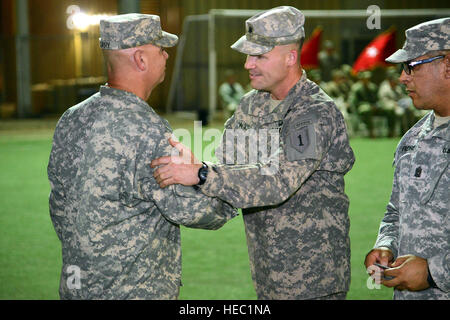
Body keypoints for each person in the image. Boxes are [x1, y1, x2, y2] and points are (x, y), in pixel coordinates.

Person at [151, 6, 355, 300]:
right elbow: (226, 176)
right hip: (266, 273)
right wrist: (182, 178)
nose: (248, 64)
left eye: (259, 56)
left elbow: (278, 182)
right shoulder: (251, 106)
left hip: (314, 279)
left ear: (290, 57)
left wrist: (202, 173)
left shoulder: (313, 112)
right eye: (248, 55)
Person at [47, 14, 236, 300]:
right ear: (140, 60)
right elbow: (196, 211)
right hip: (133, 291)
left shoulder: (72, 118)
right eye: (160, 49)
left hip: (78, 286)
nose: (166, 56)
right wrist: (218, 180)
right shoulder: (147, 131)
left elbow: (59, 206)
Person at [364, 17, 449, 300]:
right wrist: (386, 245)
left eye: (411, 66)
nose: (402, 77)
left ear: (447, 64)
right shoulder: (413, 138)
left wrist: (433, 272)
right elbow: (396, 210)